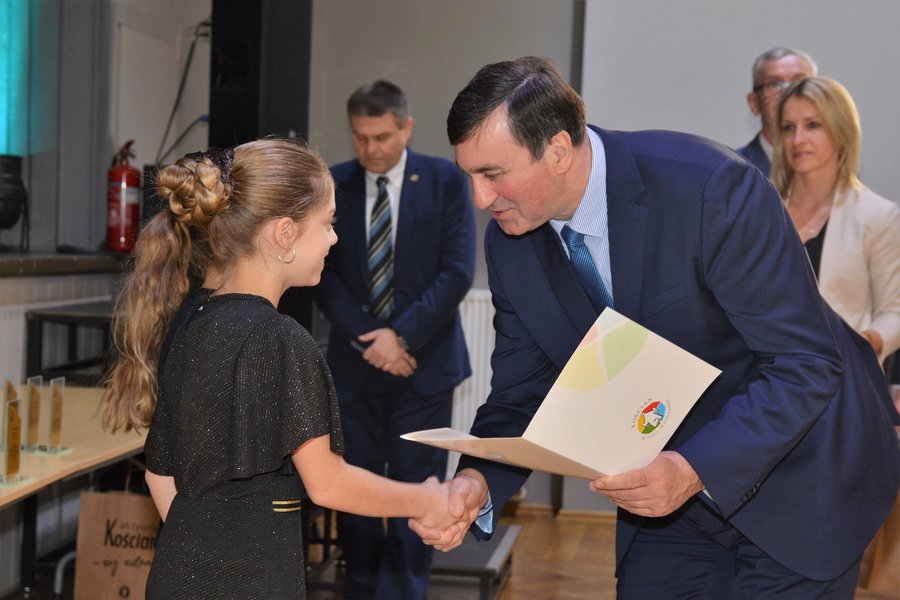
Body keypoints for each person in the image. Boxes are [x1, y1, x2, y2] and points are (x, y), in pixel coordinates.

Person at [410, 56, 900, 598]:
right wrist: (476, 481)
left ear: (558, 150)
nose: (480, 200)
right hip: (670, 499)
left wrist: (692, 468)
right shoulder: (511, 244)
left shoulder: (710, 188)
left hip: (802, 476)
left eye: (493, 175)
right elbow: (521, 392)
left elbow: (804, 363)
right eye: (470, 176)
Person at [101, 139, 459, 600]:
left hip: (177, 576)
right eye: (328, 223)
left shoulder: (189, 321)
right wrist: (425, 499)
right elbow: (328, 484)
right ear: (285, 234)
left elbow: (158, 475)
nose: (334, 238)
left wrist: (207, 560)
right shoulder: (281, 340)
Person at [312, 80, 476, 599]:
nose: (371, 149)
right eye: (360, 137)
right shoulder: (334, 184)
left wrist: (400, 337)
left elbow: (456, 271)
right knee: (355, 496)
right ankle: (360, 590)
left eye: (382, 136)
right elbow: (323, 275)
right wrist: (372, 340)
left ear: (406, 128)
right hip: (355, 372)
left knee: (417, 494)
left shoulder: (446, 180)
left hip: (423, 369)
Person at [772, 76, 900, 364]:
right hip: (770, 375)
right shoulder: (762, 210)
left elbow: (894, 313)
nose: (798, 139)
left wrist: (865, 341)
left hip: (843, 375)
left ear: (842, 131)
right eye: (788, 127)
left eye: (813, 125)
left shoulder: (878, 215)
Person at [736, 47, 817, 175]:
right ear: (754, 103)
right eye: (774, 84)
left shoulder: (838, 168)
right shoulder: (734, 172)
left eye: (800, 83)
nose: (788, 92)